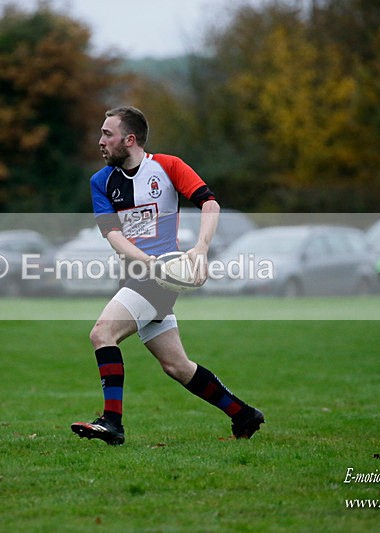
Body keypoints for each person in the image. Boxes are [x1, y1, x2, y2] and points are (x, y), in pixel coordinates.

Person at [71, 106, 264, 445]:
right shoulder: (100, 182)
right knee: (177, 366)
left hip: (160, 280)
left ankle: (112, 423)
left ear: (129, 139)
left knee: (102, 334)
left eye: (107, 134)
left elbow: (210, 204)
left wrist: (201, 250)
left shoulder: (168, 166)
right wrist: (147, 261)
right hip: (139, 275)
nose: (100, 141)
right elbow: (114, 237)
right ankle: (243, 414)